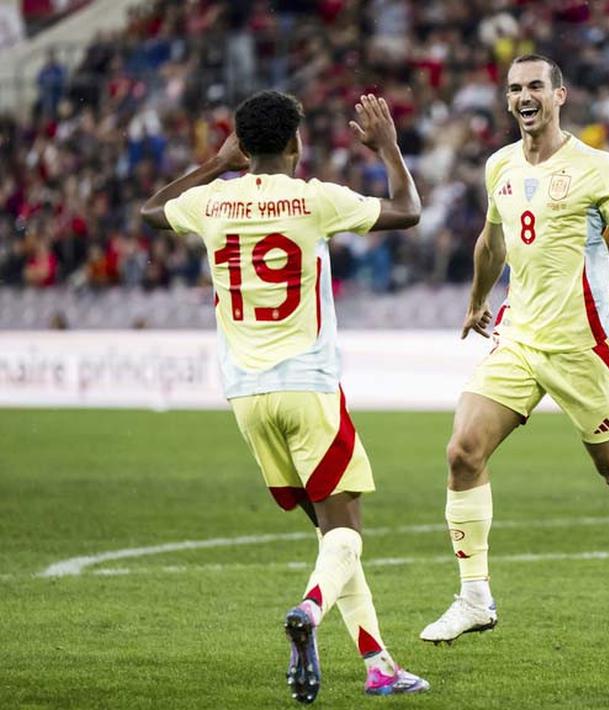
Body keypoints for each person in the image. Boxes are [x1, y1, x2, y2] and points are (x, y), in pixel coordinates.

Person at [419, 54, 609, 644]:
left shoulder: (596, 167)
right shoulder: (499, 166)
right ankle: (474, 597)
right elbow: (492, 240)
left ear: (560, 95)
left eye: (536, 85)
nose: (524, 96)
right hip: (519, 338)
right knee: (463, 451)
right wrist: (476, 300)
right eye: (515, 88)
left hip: (582, 345)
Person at [141, 91, 428, 702]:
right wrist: (389, 148)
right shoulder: (316, 198)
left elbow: (151, 209)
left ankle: (379, 664)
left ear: (242, 146)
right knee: (346, 530)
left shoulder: (213, 201)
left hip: (246, 396)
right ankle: (310, 609)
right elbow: (408, 211)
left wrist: (219, 165)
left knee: (331, 535)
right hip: (308, 386)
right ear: (295, 144)